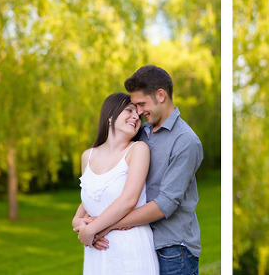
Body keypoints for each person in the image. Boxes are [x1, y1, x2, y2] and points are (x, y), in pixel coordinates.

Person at [88, 65, 204, 275]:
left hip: (173, 249)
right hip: (144, 244)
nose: (139, 112)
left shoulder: (186, 141)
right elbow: (112, 179)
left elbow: (164, 205)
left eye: (141, 104)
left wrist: (108, 225)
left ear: (161, 95)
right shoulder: (142, 132)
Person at [73, 93, 159, 274]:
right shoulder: (87, 156)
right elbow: (92, 198)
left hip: (130, 248)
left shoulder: (138, 150)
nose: (136, 116)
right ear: (110, 116)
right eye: (129, 110)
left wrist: (92, 230)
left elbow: (128, 199)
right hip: (96, 252)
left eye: (138, 114)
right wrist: (77, 222)